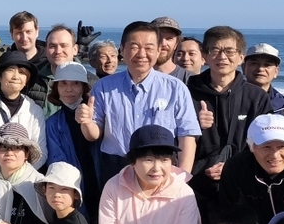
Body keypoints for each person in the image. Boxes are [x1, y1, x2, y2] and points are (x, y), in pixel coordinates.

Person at [77, 20, 201, 180]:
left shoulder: (175, 88)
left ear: (158, 51)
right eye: (134, 47)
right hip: (115, 166)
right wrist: (86, 122)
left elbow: (187, 136)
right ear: (122, 49)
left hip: (161, 168)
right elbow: (93, 135)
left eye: (149, 48)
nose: (141, 54)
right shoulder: (103, 86)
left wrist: (182, 179)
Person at [187, 26, 271, 224]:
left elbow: (265, 144)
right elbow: (173, 140)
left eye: (229, 51)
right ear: (205, 56)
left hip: (243, 187)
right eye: (214, 50)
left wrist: (233, 167)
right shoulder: (187, 92)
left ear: (241, 57)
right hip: (197, 186)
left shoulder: (256, 97)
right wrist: (194, 125)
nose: (222, 57)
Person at [0, 51, 47, 191]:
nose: (16, 76)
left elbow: (40, 151)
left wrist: (19, 174)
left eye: (22, 72)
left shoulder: (35, 110)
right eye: (10, 70)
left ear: (27, 80)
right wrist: (2, 173)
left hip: (25, 185)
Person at [44, 62, 99, 219]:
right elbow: (57, 161)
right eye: (63, 84)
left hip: (97, 178)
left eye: (76, 83)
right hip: (73, 185)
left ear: (83, 88)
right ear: (56, 89)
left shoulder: (97, 115)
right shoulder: (53, 123)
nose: (69, 89)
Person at [243, 43, 284, 152]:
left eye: (267, 65)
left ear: (276, 72)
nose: (260, 69)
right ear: (244, 67)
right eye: (254, 63)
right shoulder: (231, 98)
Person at [7, 12, 50, 109]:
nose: (24, 37)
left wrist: (80, 48)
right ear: (11, 34)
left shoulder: (50, 62)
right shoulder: (5, 64)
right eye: (18, 33)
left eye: (28, 31)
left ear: (37, 31)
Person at [151, 16, 193, 83]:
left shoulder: (190, 80)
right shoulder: (135, 77)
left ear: (176, 44)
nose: (163, 43)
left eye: (169, 38)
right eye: (158, 37)